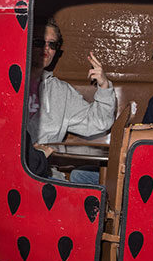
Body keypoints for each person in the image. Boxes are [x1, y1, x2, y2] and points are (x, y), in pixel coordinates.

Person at [26, 19, 117, 182]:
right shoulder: (8, 84)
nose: (46, 48)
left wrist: (104, 86)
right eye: (39, 42)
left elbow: (98, 123)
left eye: (52, 44)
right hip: (8, 169)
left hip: (44, 174)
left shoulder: (61, 92)